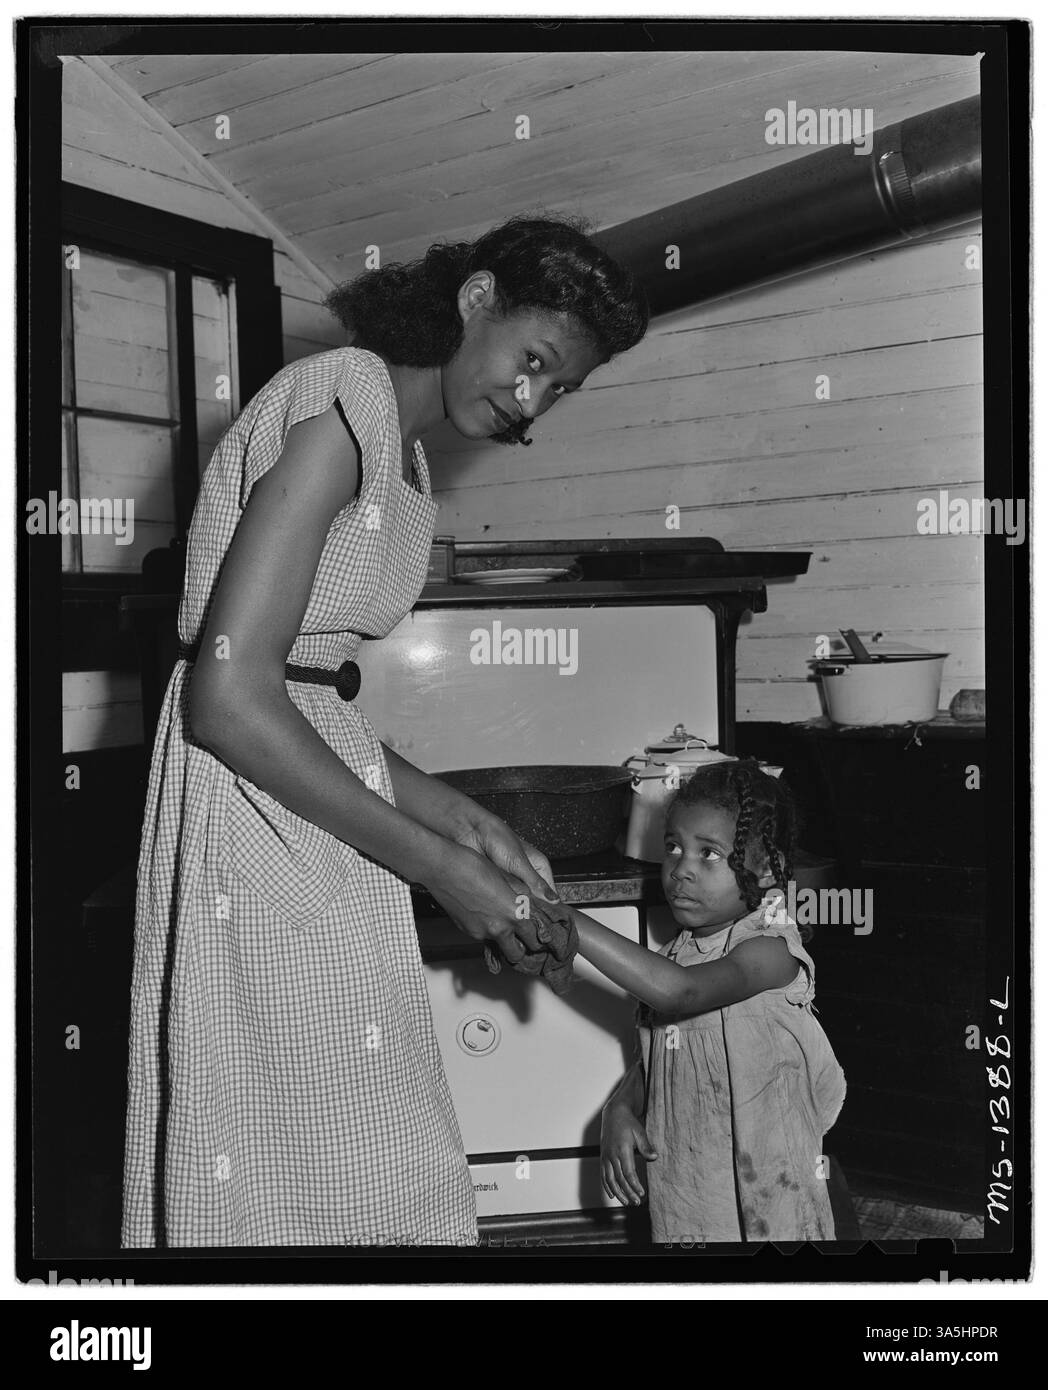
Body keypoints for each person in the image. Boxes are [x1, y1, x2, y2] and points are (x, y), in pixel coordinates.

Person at [121, 215, 648, 1248]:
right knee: (286, 1161)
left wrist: (461, 821)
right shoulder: (342, 405)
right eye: (534, 360)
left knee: (353, 1148)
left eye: (561, 388)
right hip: (248, 818)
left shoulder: (401, 456)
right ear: (476, 299)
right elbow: (228, 698)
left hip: (303, 802)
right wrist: (441, 870)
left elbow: (309, 689)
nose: (532, 401)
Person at [569, 759, 847, 1244]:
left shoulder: (769, 950)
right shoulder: (676, 955)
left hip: (771, 1183)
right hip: (696, 1182)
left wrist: (567, 922)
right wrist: (620, 1106)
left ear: (765, 868)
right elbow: (661, 1052)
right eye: (673, 847)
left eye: (709, 854)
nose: (681, 870)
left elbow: (680, 993)